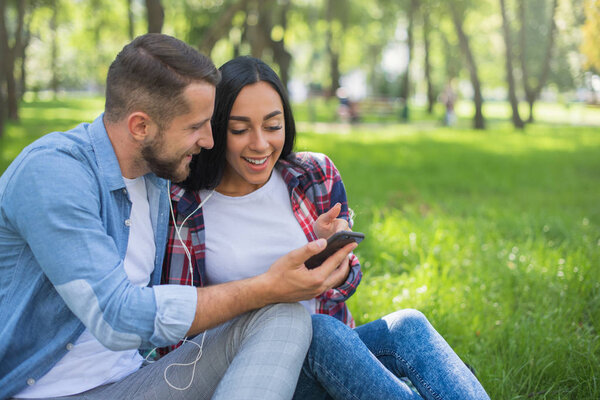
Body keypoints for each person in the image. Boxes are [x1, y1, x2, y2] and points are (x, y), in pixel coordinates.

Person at [0, 35, 357, 400]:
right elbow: (116, 319)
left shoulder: (157, 179)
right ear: (141, 127)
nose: (208, 141)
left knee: (285, 318)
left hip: (134, 381)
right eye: (195, 127)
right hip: (48, 392)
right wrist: (267, 286)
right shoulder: (53, 174)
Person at [163, 55, 490, 399]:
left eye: (273, 126)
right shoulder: (185, 206)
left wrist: (333, 259)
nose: (260, 144)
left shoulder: (314, 175)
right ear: (215, 129)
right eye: (240, 130)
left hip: (330, 355)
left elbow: (344, 288)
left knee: (407, 325)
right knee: (314, 331)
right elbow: (175, 325)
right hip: (251, 374)